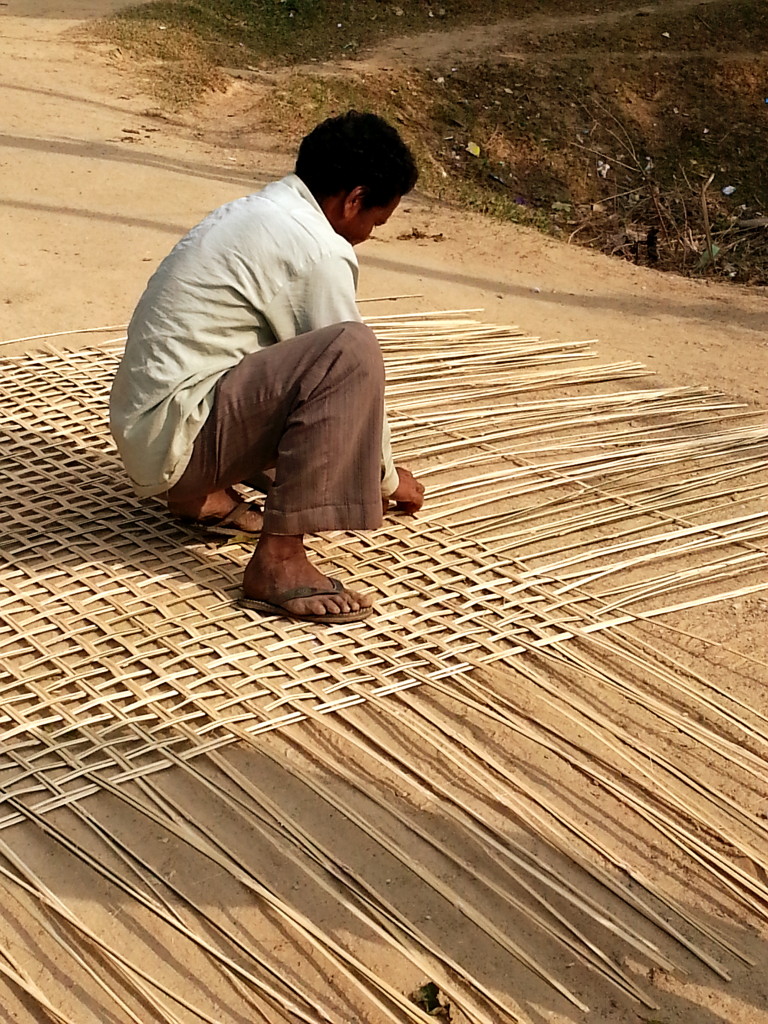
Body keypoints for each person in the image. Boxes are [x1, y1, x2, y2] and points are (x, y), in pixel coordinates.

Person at [109, 111, 425, 624]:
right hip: (180, 440)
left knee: (313, 362)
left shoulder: (258, 212)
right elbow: (342, 370)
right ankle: (279, 562)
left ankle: (201, 497)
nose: (367, 234)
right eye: (374, 220)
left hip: (150, 432)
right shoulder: (318, 250)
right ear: (352, 200)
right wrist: (387, 481)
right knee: (351, 351)